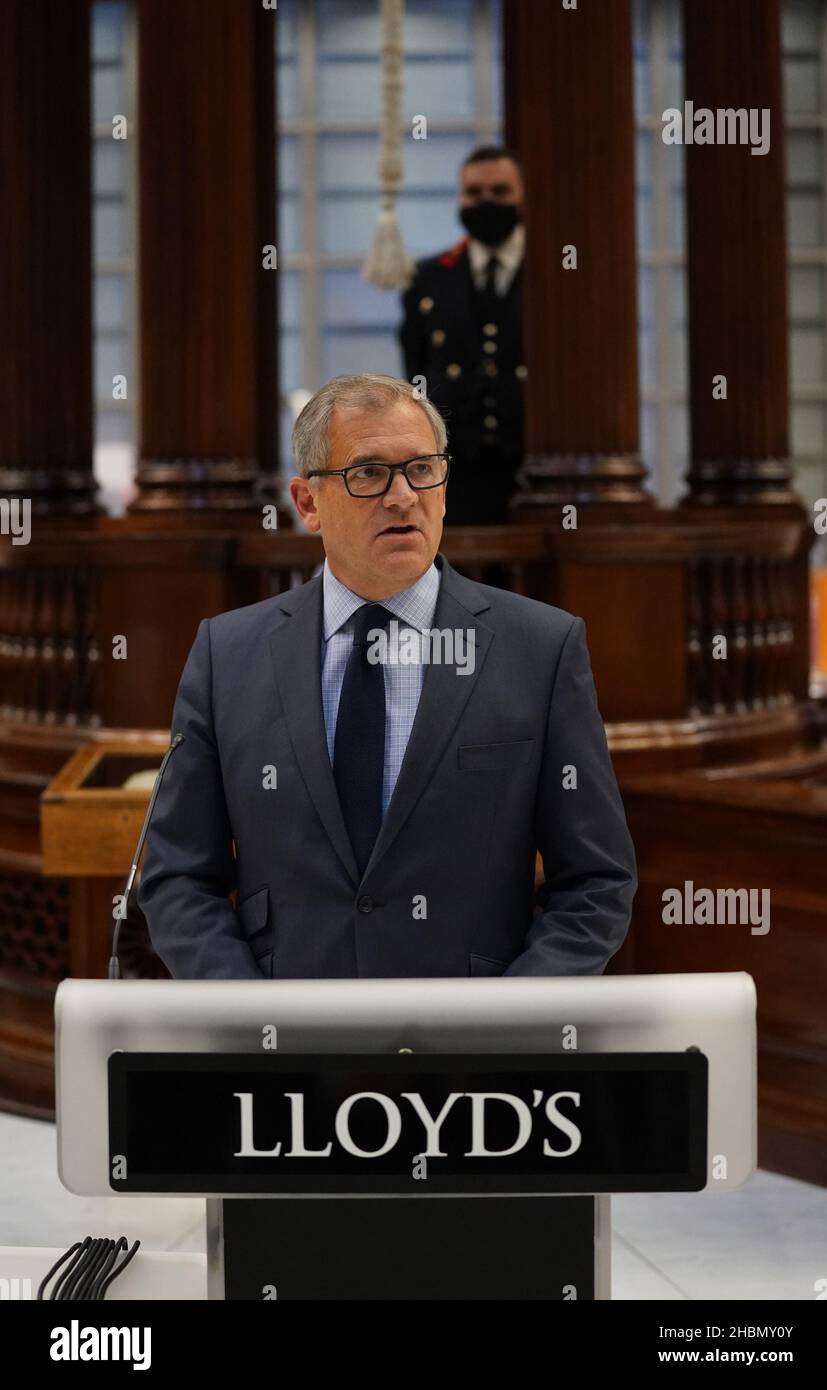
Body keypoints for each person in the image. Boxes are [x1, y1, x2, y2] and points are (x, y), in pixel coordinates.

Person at [138, 373, 636, 979]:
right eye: (368, 473)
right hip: (285, 1044)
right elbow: (180, 877)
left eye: (422, 469)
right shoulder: (228, 654)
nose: (403, 496)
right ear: (308, 503)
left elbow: (595, 882)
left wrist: (508, 1027)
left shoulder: (540, 648)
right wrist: (252, 1022)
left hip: (470, 1047)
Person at [399, 145, 526, 526]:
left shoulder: (556, 277)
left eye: (500, 192)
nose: (486, 202)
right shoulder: (430, 278)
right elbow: (416, 371)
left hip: (535, 469)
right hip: (456, 474)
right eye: (474, 193)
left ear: (522, 195)